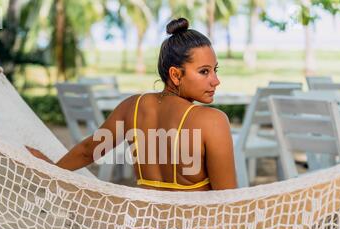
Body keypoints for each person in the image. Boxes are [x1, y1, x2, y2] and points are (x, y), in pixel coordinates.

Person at [27, 17, 237, 192]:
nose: (215, 80)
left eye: (215, 70)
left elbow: (88, 150)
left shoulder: (132, 107)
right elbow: (228, 202)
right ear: (175, 74)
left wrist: (51, 171)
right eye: (204, 71)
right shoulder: (212, 121)